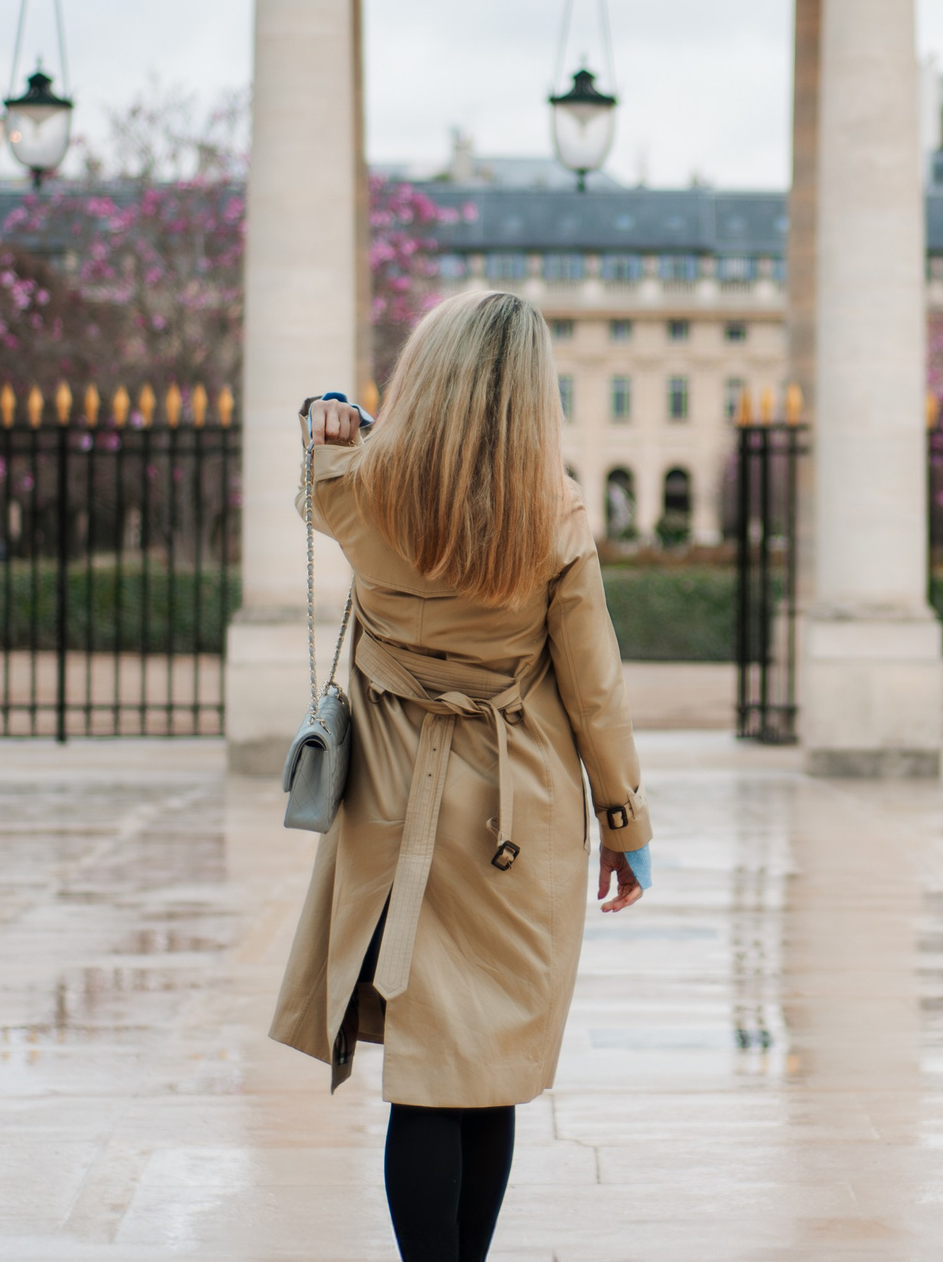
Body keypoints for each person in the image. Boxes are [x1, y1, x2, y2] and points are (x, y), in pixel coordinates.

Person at [269, 289, 651, 1262]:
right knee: (487, 1064)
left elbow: (313, 482)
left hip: (393, 803)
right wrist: (625, 825)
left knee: (426, 1076)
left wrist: (333, 417)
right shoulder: (553, 510)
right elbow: (594, 688)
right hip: (514, 813)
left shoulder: (363, 488)